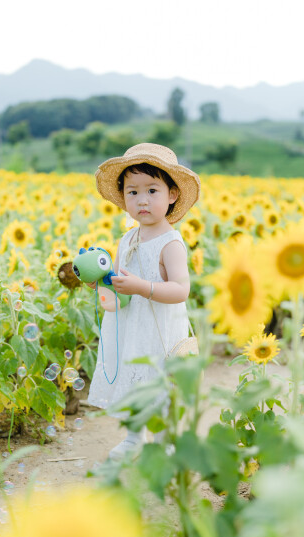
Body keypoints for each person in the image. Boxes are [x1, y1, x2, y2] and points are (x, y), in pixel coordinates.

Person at [86, 143, 201, 459]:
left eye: (152, 190)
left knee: (160, 382)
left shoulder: (170, 243)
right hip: (133, 325)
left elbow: (180, 290)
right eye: (132, 192)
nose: (142, 200)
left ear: (172, 194)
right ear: (123, 198)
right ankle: (134, 438)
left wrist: (141, 286)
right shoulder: (127, 239)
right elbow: (124, 282)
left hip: (161, 329)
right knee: (134, 379)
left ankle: (165, 441)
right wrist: (110, 289)